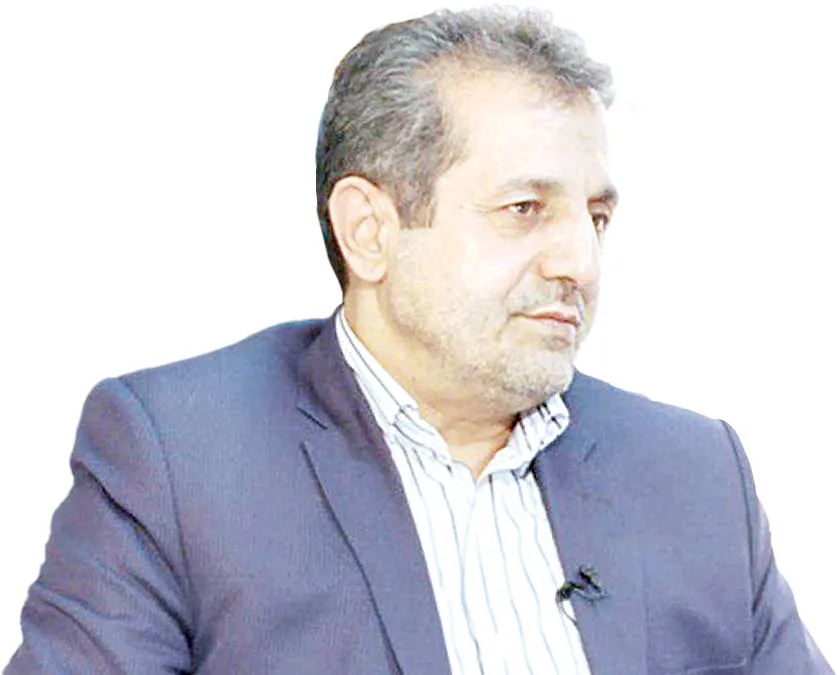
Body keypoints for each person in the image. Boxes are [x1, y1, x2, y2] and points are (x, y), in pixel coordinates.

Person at [5, 6, 833, 675]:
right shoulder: (178, 461)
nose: (579, 262)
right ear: (368, 230)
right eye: (524, 209)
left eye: (596, 216)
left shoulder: (695, 473)